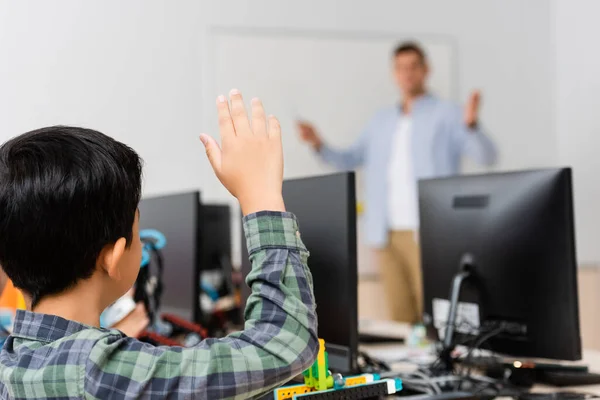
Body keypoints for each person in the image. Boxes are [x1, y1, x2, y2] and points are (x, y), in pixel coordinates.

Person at [0, 90, 318, 399]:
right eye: (138, 229)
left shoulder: (11, 361)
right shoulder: (95, 373)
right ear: (113, 257)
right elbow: (282, 343)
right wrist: (261, 197)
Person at [298, 42, 497, 324]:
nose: (407, 74)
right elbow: (350, 158)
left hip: (428, 229)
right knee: (401, 318)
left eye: (413, 67)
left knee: (436, 314)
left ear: (426, 70)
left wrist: (472, 125)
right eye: (401, 68)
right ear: (394, 73)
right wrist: (319, 144)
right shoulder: (381, 120)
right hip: (385, 232)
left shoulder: (448, 114)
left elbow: (487, 156)